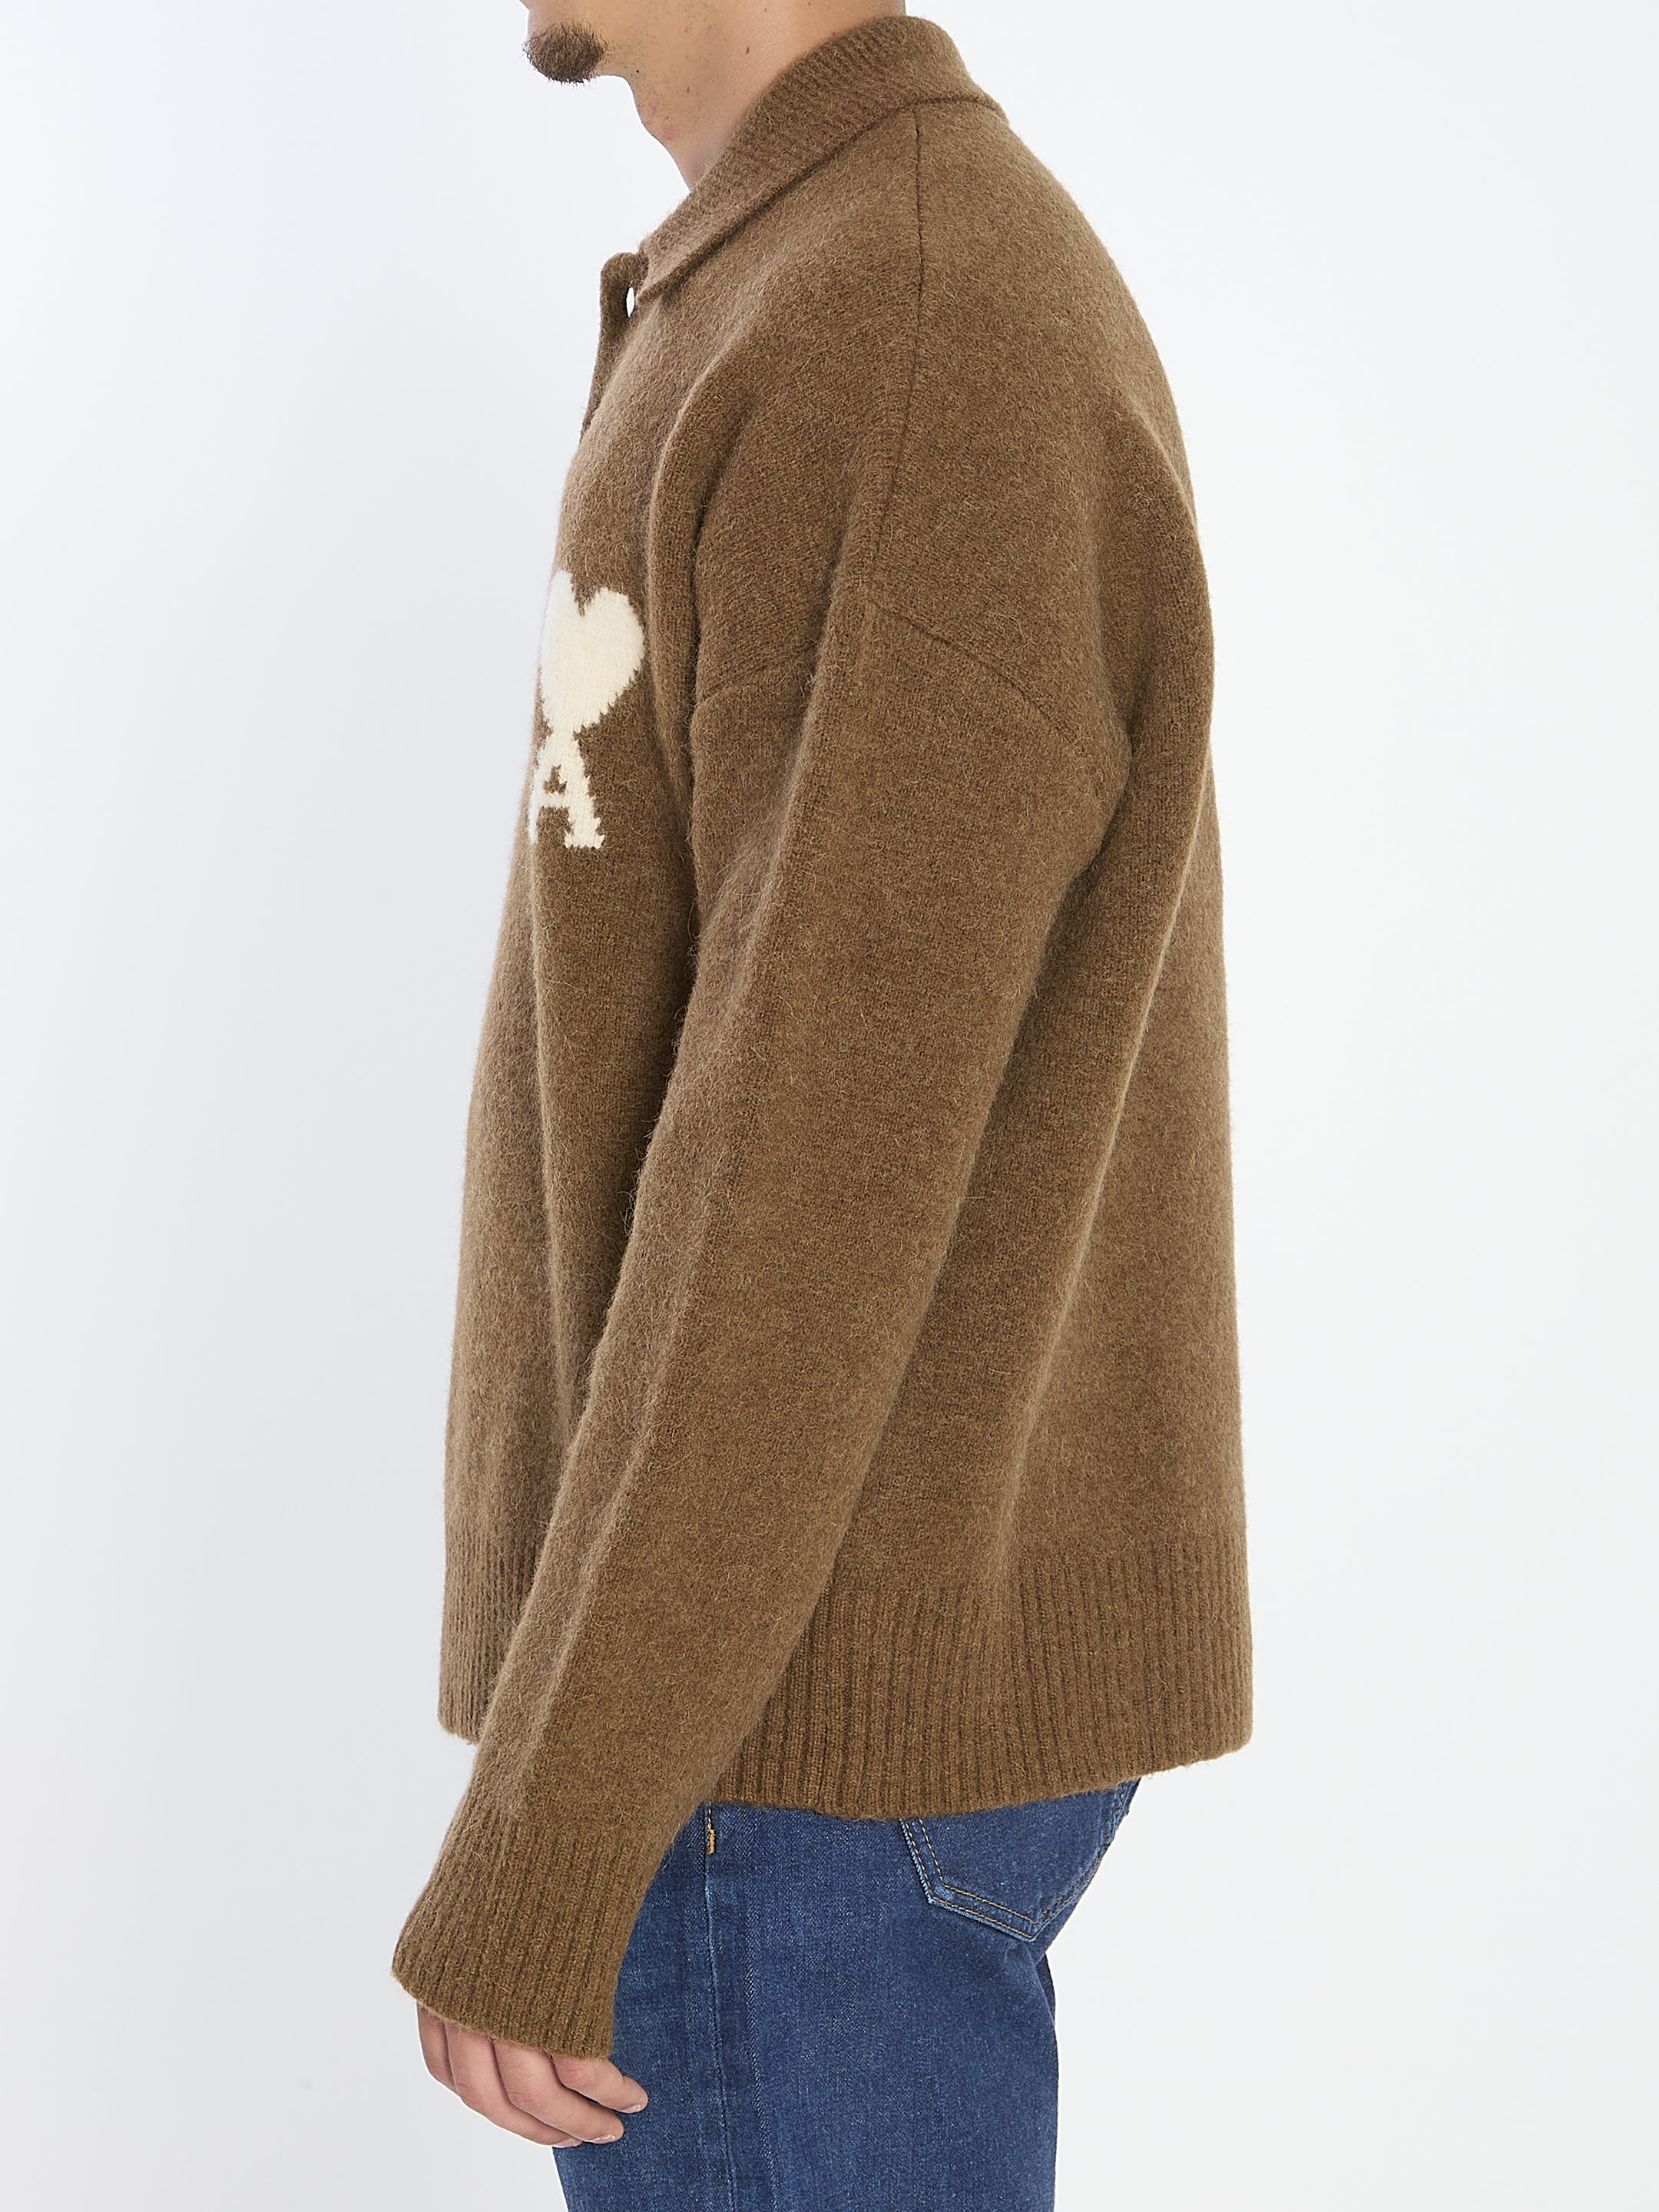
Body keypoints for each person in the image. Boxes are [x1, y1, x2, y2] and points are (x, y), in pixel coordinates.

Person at [391, 5, 1253, 2204]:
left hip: (773, 1765)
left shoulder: (911, 316)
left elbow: (804, 1185)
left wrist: (572, 1802)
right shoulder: (812, 275)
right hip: (751, 1737)